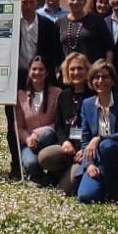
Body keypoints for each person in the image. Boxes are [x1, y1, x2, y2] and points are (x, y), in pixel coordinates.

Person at [6, 0, 62, 178]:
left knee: (45, 117)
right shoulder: (11, 23)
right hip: (16, 77)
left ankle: (43, 158)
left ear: (37, 2)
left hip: (41, 75)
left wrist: (49, 73)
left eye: (31, 2)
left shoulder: (48, 25)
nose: (27, 6)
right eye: (24, 2)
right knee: (13, 123)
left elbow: (55, 53)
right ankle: (16, 165)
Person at [73, 60, 118, 204]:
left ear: (112, 80)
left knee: (107, 145)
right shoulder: (87, 104)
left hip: (117, 155)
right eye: (96, 77)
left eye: (105, 77)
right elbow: (85, 139)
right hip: (96, 158)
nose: (100, 81)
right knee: (85, 197)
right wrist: (89, 165)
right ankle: (105, 186)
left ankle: (114, 189)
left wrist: (100, 138)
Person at [37, 52, 94, 188]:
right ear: (67, 72)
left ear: (87, 71)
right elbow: (59, 125)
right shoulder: (64, 95)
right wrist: (65, 142)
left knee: (64, 190)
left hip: (86, 151)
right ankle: (63, 172)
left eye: (80, 68)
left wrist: (83, 149)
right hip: (68, 148)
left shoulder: (94, 95)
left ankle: (74, 174)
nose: (76, 72)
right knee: (45, 156)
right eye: (72, 69)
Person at [13, 56, 61, 184]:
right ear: (29, 71)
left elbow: (58, 123)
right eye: (34, 69)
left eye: (41, 69)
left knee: (47, 134)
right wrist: (28, 139)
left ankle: (48, 169)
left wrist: (36, 133)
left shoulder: (57, 93)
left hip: (50, 140)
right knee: (31, 164)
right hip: (29, 143)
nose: (37, 72)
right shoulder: (21, 96)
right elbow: (19, 126)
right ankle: (38, 174)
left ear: (47, 73)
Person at [58, 0, 114, 64]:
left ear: (84, 0)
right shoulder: (59, 23)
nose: (75, 2)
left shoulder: (97, 21)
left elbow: (109, 49)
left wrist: (107, 67)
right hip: (68, 71)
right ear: (67, 0)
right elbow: (55, 51)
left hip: (93, 70)